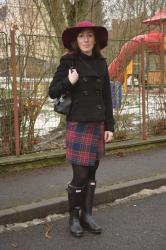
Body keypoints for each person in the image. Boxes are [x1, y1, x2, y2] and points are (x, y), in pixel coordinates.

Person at [49, 20, 115, 237]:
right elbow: (53, 91)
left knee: (92, 172)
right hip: (78, 123)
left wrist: (109, 126)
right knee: (80, 174)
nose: (86, 40)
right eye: (81, 36)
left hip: (97, 123)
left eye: (89, 36)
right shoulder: (69, 61)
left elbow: (106, 96)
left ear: (95, 40)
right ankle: (74, 217)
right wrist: (69, 81)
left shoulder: (101, 63)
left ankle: (87, 214)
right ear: (76, 41)